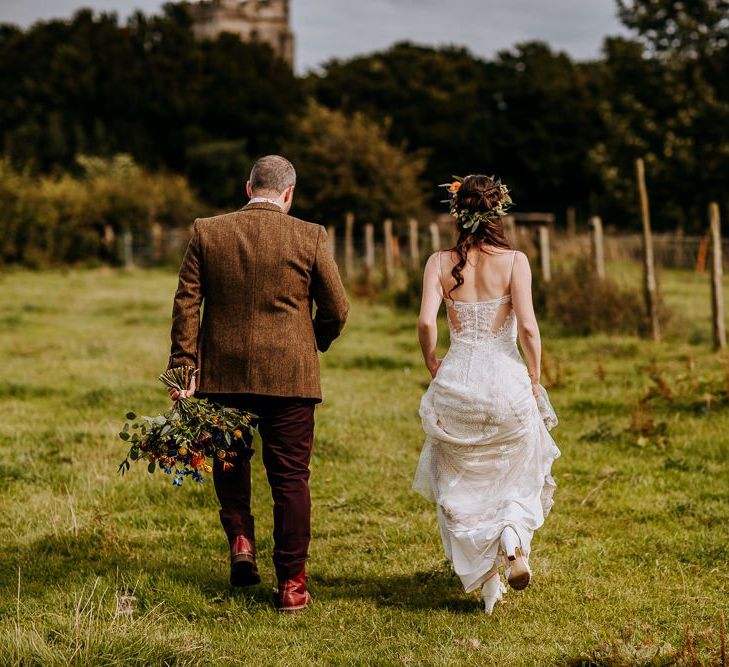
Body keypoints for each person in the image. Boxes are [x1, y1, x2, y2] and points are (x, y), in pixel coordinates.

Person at [167, 155, 349, 612]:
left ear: (249, 188)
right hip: (291, 376)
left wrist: (183, 370)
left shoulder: (207, 231)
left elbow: (187, 305)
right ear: (288, 194)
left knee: (229, 462)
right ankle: (291, 584)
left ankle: (242, 542)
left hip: (222, 375)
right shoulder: (310, 235)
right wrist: (315, 340)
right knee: (290, 478)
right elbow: (338, 308)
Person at [413, 174, 560, 614]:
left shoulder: (438, 262)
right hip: (505, 383)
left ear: (457, 213)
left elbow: (425, 323)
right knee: (514, 475)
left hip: (458, 382)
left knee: (462, 486)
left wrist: (432, 361)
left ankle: (488, 581)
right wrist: (533, 376)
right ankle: (512, 535)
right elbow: (529, 328)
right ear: (499, 211)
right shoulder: (515, 261)